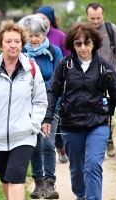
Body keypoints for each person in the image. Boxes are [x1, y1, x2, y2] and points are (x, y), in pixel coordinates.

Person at [41, 22, 116, 200]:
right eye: (78, 43)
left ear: (94, 43)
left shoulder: (104, 67)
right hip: (71, 124)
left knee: (93, 165)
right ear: (72, 45)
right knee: (77, 168)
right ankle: (81, 195)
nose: (83, 47)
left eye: (87, 43)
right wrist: (47, 118)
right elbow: (52, 92)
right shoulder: (64, 65)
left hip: (98, 124)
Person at [0, 20, 48, 200]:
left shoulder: (31, 69)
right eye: (8, 41)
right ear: (0, 44)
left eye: (17, 41)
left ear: (22, 44)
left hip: (23, 134)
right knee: (5, 177)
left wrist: (34, 124)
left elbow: (40, 100)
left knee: (16, 178)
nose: (13, 45)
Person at [22, 14, 63, 199]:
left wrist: (56, 103)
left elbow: (61, 80)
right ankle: (38, 184)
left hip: (50, 105)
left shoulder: (54, 52)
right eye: (30, 35)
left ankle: (50, 183)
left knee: (48, 143)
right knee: (34, 145)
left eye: (37, 35)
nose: (33, 39)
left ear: (44, 33)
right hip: (27, 106)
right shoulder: (22, 53)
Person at [86, 2, 116, 157]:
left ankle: (109, 139)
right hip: (88, 79)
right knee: (89, 111)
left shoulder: (112, 30)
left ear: (103, 15)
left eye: (98, 18)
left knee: (111, 114)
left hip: (110, 80)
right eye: (92, 18)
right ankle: (93, 142)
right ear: (87, 16)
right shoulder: (82, 31)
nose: (96, 21)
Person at [36, 5, 70, 163]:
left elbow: (67, 56)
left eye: (44, 18)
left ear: (50, 19)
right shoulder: (31, 37)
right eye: (38, 17)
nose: (41, 21)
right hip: (39, 89)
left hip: (59, 80)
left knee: (59, 116)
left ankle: (60, 145)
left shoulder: (60, 36)